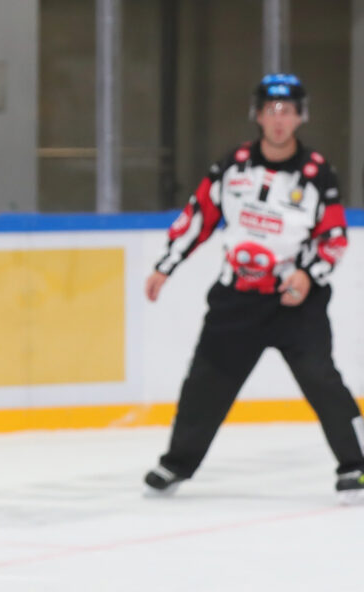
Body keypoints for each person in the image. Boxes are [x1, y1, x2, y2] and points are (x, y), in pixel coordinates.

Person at [143, 73, 364, 501]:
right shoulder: (233, 165)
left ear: (301, 117)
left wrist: (307, 273)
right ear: (257, 115)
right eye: (270, 111)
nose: (279, 120)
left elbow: (334, 237)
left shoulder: (317, 173)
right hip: (236, 302)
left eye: (288, 111)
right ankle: (176, 464)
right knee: (205, 382)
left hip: (295, 304)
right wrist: (165, 266)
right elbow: (199, 216)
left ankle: (356, 465)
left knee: (322, 380)